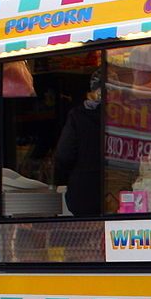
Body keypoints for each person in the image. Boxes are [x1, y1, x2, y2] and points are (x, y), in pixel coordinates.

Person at [53, 70, 103, 217]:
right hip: (123, 195)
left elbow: (64, 155)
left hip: (84, 194)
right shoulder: (125, 116)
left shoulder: (78, 116)